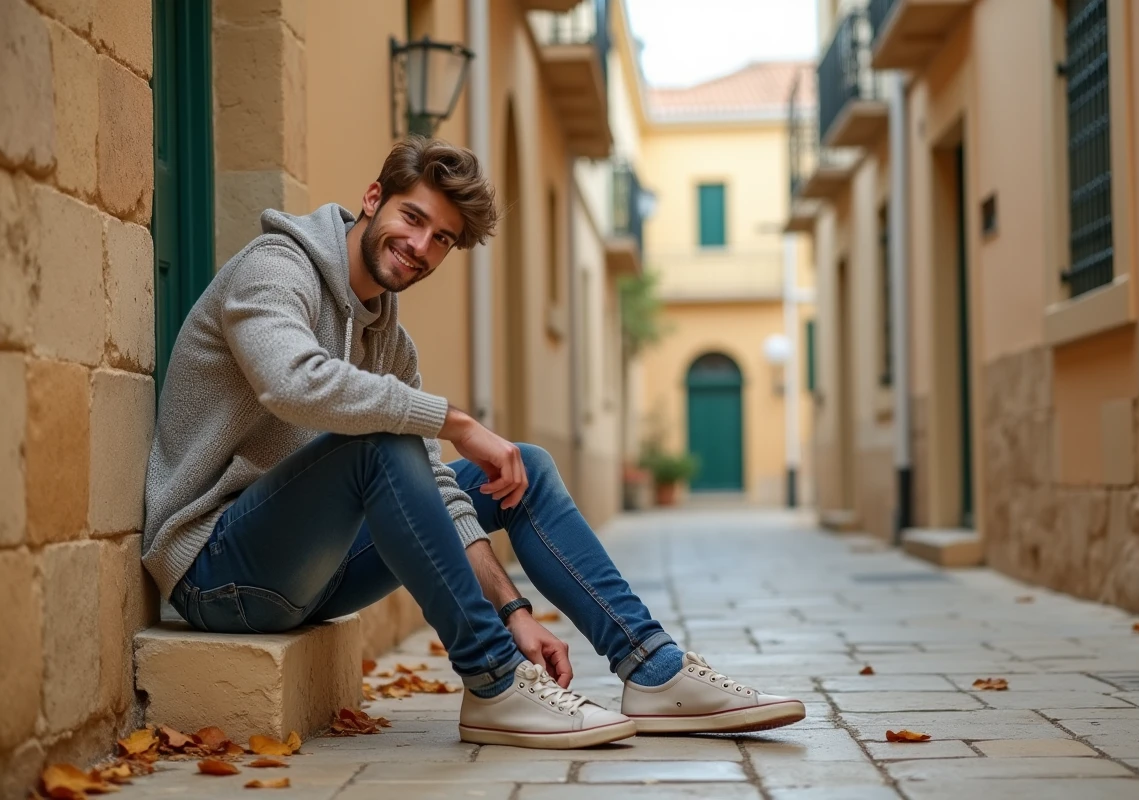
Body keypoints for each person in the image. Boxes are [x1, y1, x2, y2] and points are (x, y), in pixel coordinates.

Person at [143, 136, 806, 750]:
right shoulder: (275, 267)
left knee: (522, 468)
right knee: (384, 444)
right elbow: (291, 382)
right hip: (217, 572)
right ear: (372, 199)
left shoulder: (390, 342)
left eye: (442, 239)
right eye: (412, 218)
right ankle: (494, 682)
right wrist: (455, 422)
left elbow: (436, 488)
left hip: (314, 572)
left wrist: (513, 608)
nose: (419, 246)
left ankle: (652, 667)